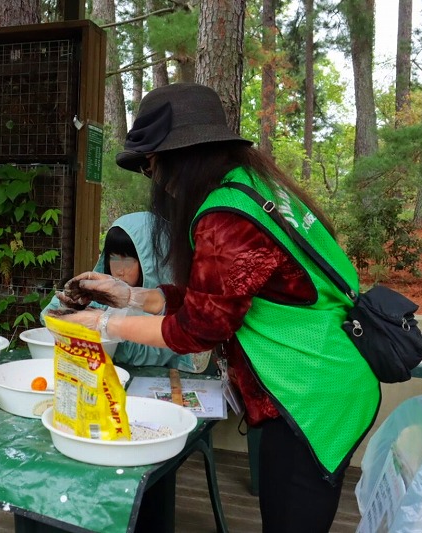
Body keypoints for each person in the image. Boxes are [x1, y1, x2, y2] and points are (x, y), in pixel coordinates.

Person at [56, 83, 380, 532]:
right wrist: (130, 295)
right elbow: (217, 300)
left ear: (182, 156)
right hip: (319, 374)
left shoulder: (226, 216)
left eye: (153, 166)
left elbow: (198, 329)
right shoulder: (254, 186)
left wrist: (104, 323)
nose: (157, 181)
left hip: (309, 390)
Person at [43, 211, 210, 372]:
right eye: (113, 258)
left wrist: (104, 325)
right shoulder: (103, 295)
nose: (120, 270)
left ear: (152, 260)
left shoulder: (174, 309)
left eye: (128, 259)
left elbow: (148, 353)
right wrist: (69, 305)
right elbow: (46, 317)